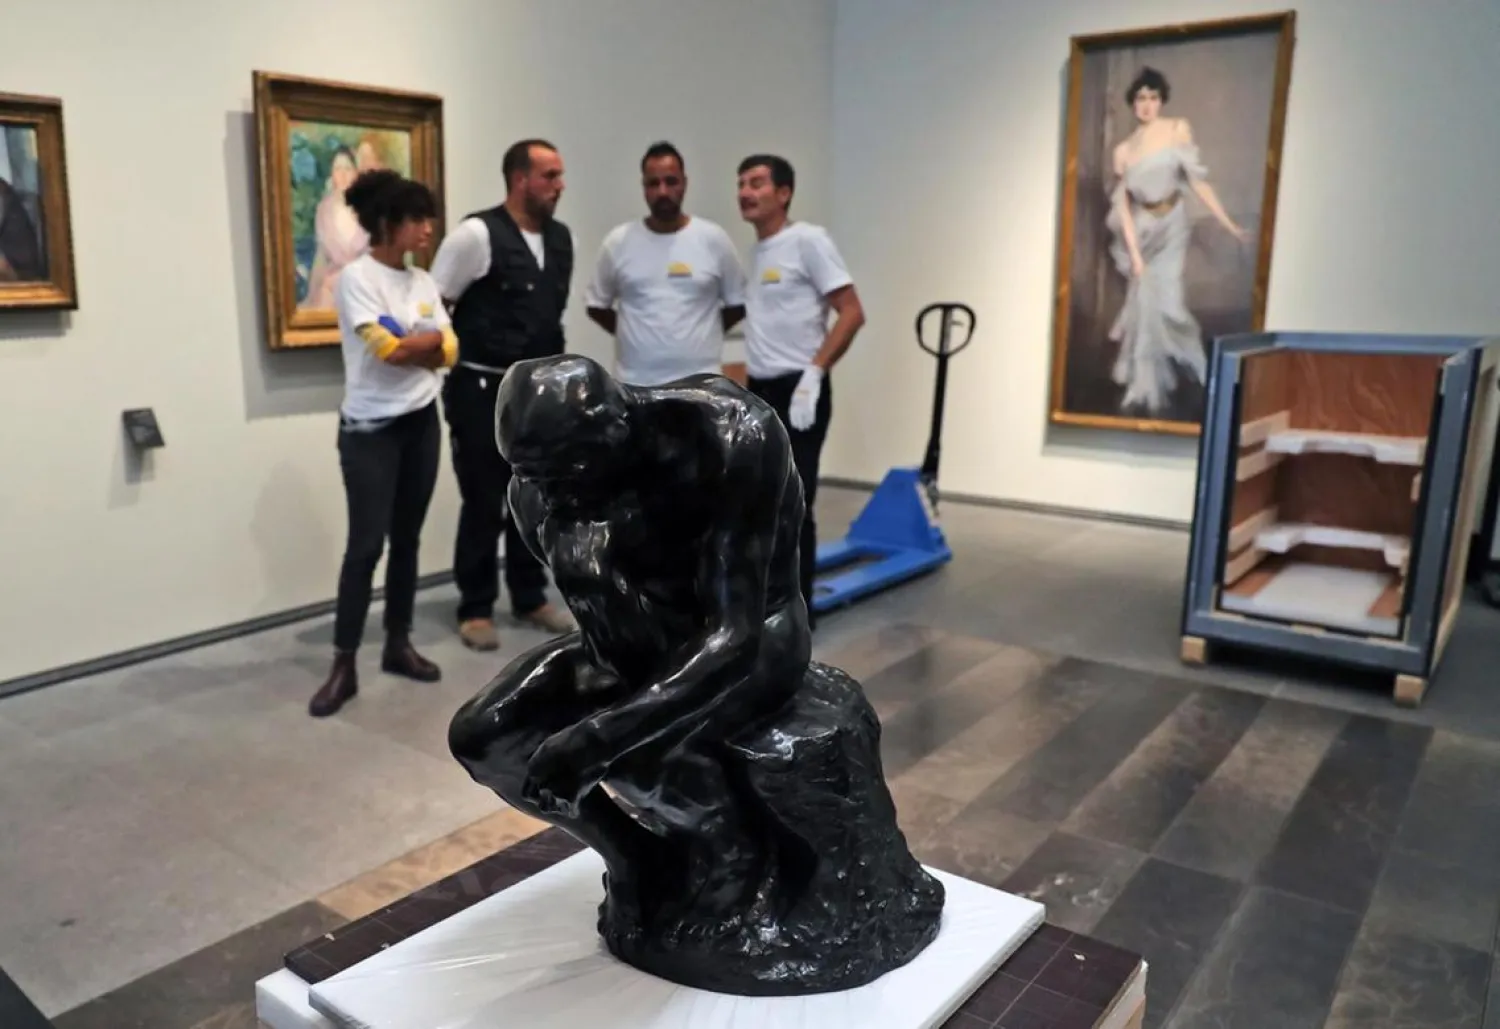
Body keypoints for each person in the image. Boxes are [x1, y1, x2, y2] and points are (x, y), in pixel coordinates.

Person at [449, 354, 810, 899]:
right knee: (482, 735)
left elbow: (733, 633)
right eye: (530, 477)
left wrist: (601, 736)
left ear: (616, 432)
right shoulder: (537, 488)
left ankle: (735, 862)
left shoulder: (731, 435)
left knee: (637, 745)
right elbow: (604, 623)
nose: (546, 495)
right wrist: (580, 565)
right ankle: (632, 855)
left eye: (563, 478)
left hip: (755, 632)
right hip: (636, 632)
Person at [309, 169, 456, 718]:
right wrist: (422, 343)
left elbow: (450, 349)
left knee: (408, 540)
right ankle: (343, 663)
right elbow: (387, 351)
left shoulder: (421, 283)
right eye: (418, 219)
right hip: (370, 431)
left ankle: (398, 643)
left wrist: (421, 343)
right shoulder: (356, 280)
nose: (427, 229)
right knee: (365, 546)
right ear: (390, 224)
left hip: (421, 421)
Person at [428, 139, 577, 651]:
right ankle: (475, 606)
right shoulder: (476, 235)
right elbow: (434, 305)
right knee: (483, 498)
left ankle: (530, 595)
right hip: (481, 388)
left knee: (534, 497)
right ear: (520, 179)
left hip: (537, 391)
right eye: (550, 175)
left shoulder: (560, 240)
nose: (559, 185)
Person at [736, 154, 865, 629]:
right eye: (741, 184)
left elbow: (851, 311)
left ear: (784, 193)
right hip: (762, 389)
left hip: (801, 388)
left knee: (795, 499)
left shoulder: (808, 241)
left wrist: (815, 372)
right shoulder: (755, 253)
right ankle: (767, 600)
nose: (745, 192)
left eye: (756, 183)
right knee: (760, 499)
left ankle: (798, 614)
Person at [1107, 66, 1248, 417]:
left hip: (1173, 226)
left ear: (1162, 100)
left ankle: (1204, 373)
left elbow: (1198, 183)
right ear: (1132, 103)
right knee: (1144, 305)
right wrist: (1136, 256)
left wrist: (1229, 224)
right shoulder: (1123, 151)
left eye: (1153, 97)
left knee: (1169, 303)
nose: (1147, 104)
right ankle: (1143, 387)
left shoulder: (1176, 129)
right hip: (1141, 230)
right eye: (1140, 98)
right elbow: (1123, 208)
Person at [584, 141, 747, 386]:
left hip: (702, 383)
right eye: (653, 183)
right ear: (643, 187)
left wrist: (703, 332)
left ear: (685, 183)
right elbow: (596, 305)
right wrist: (635, 334)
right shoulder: (618, 242)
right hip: (635, 384)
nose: (662, 191)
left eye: (671, 181)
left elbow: (738, 304)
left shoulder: (714, 239)